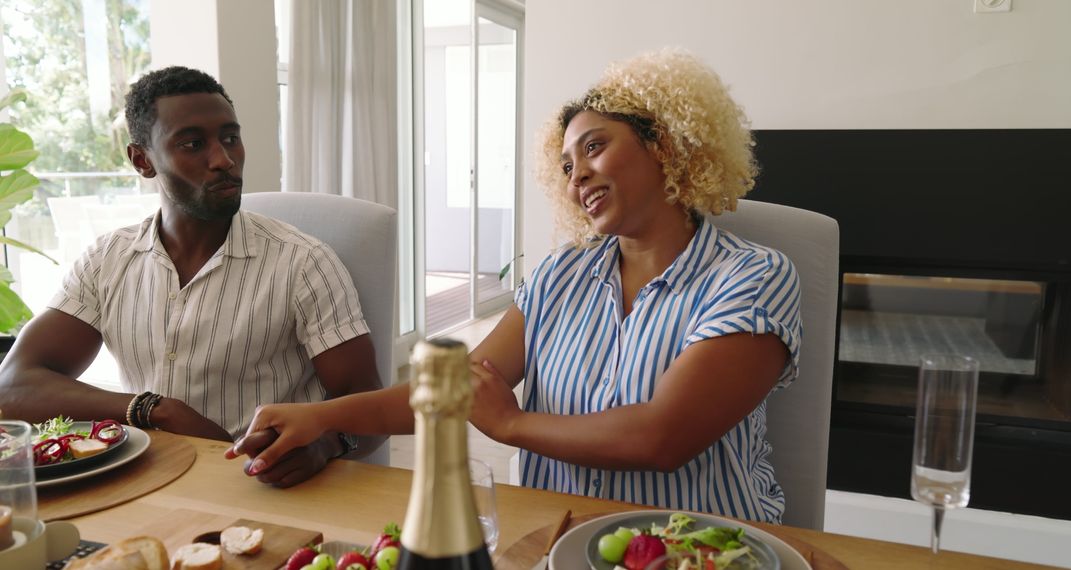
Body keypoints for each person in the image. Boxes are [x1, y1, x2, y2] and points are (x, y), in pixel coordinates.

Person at [229, 49, 802, 522]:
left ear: (665, 145)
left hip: (700, 547)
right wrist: (323, 416)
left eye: (595, 146)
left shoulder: (753, 276)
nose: (576, 174)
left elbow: (662, 438)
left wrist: (510, 424)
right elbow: (457, 390)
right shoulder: (560, 275)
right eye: (566, 164)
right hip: (553, 537)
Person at [0, 66, 384, 488]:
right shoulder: (108, 260)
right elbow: (14, 386)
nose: (223, 160)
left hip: (261, 487)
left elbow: (371, 412)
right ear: (142, 161)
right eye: (193, 144)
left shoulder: (303, 263)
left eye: (230, 138)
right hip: (148, 481)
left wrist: (325, 444)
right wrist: (154, 409)